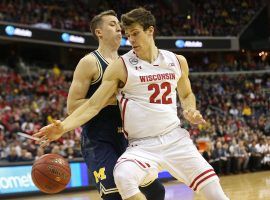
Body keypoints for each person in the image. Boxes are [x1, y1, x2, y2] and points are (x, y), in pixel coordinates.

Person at [34, 8, 229, 200]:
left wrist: (190, 109)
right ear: (98, 32)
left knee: (160, 191)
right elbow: (90, 105)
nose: (127, 37)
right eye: (125, 32)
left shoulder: (174, 61)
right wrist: (65, 126)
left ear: (150, 30)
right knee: (118, 186)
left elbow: (186, 94)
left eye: (131, 32)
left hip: (156, 137)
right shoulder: (110, 65)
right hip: (112, 139)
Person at [59, 10, 164, 200]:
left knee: (156, 191)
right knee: (115, 196)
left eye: (119, 25)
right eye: (112, 24)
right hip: (99, 140)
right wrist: (110, 98)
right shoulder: (90, 62)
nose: (119, 27)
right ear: (99, 32)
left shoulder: (129, 62)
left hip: (129, 139)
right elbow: (73, 106)